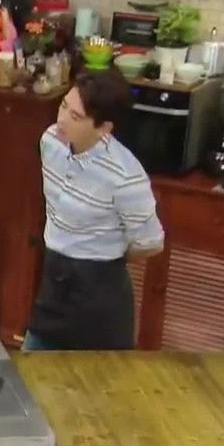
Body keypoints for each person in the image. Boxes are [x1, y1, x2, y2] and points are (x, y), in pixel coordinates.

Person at [23, 69, 165, 351]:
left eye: (76, 117)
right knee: (28, 371)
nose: (62, 119)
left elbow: (151, 243)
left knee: (99, 378)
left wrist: (107, 255)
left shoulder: (125, 176)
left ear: (103, 128)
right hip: (53, 284)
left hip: (99, 299)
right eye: (64, 106)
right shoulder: (50, 141)